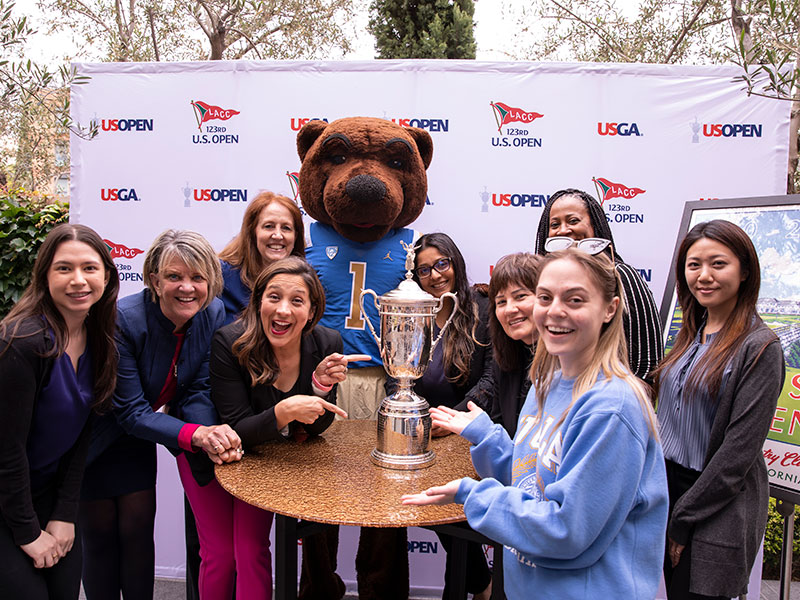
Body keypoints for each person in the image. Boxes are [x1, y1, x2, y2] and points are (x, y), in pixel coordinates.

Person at [402, 248, 668, 599]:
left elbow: (565, 531)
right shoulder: (547, 383)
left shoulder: (611, 408)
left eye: (575, 299)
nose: (555, 311)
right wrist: (488, 438)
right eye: (545, 297)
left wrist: (473, 495)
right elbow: (530, 478)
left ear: (609, 309)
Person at [80, 230, 243, 600]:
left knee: (139, 537)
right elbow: (131, 410)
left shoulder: (212, 312)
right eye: (174, 276)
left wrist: (209, 433)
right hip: (94, 436)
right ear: (154, 279)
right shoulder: (123, 319)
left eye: (197, 277)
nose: (187, 288)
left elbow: (200, 387)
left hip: (139, 434)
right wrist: (195, 436)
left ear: (211, 281)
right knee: (100, 538)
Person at [210, 256, 362, 600]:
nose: (282, 310)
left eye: (297, 301)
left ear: (311, 311)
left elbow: (319, 425)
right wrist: (282, 412)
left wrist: (320, 387)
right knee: (245, 552)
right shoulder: (229, 342)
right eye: (273, 297)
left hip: (296, 464)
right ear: (258, 301)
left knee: (318, 531)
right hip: (240, 462)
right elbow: (235, 427)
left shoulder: (327, 343)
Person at [654, 220, 784, 599]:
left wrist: (683, 520)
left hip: (714, 502)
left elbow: (735, 458)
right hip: (670, 489)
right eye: (694, 265)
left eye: (718, 264)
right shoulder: (691, 333)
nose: (704, 276)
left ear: (744, 271)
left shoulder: (760, 348)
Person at [0, 224, 119, 599]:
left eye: (89, 268)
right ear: (45, 276)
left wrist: (65, 512)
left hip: (48, 495)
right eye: (64, 268)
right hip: (6, 499)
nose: (78, 280)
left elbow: (81, 435)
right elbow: (7, 450)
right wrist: (27, 532)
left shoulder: (101, 340)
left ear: (106, 276)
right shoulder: (19, 342)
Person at [384, 233, 493, 600]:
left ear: (455, 262)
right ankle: (483, 587)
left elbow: (492, 378)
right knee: (440, 519)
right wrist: (408, 418)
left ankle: (475, 588)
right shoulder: (413, 310)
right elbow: (394, 375)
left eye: (441, 264)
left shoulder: (482, 308)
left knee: (454, 522)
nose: (434, 275)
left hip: (470, 435)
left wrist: (455, 420)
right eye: (424, 269)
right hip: (423, 438)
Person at [534, 188, 663, 384]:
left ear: (595, 226)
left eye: (573, 220)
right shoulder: (546, 282)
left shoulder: (621, 275)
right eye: (555, 224)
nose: (563, 230)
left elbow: (648, 365)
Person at [219, 191, 305, 325]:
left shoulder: (306, 282)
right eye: (269, 226)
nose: (277, 235)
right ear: (253, 231)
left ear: (296, 236)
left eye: (286, 228)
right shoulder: (222, 278)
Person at [486, 252, 542, 437]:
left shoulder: (569, 364)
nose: (510, 309)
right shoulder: (504, 360)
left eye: (520, 297)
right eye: (501, 302)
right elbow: (500, 426)